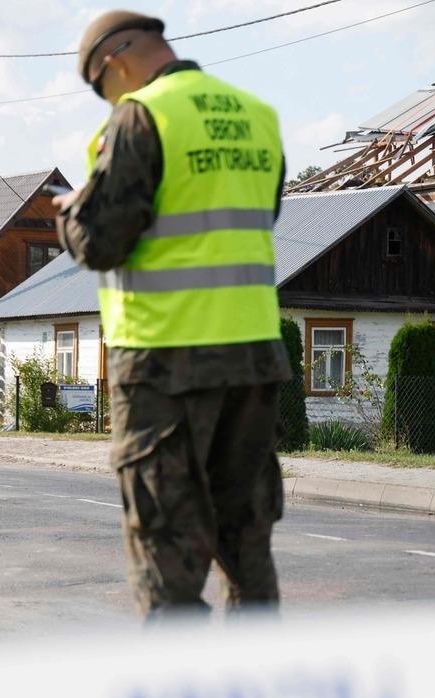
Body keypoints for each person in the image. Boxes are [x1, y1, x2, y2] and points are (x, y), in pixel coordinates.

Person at [54, 10, 291, 618]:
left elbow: (103, 242)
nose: (104, 99)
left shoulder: (141, 116)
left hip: (164, 363)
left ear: (116, 62)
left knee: (168, 559)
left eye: (97, 86)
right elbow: (255, 218)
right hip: (254, 357)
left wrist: (70, 213)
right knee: (248, 551)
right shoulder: (258, 116)